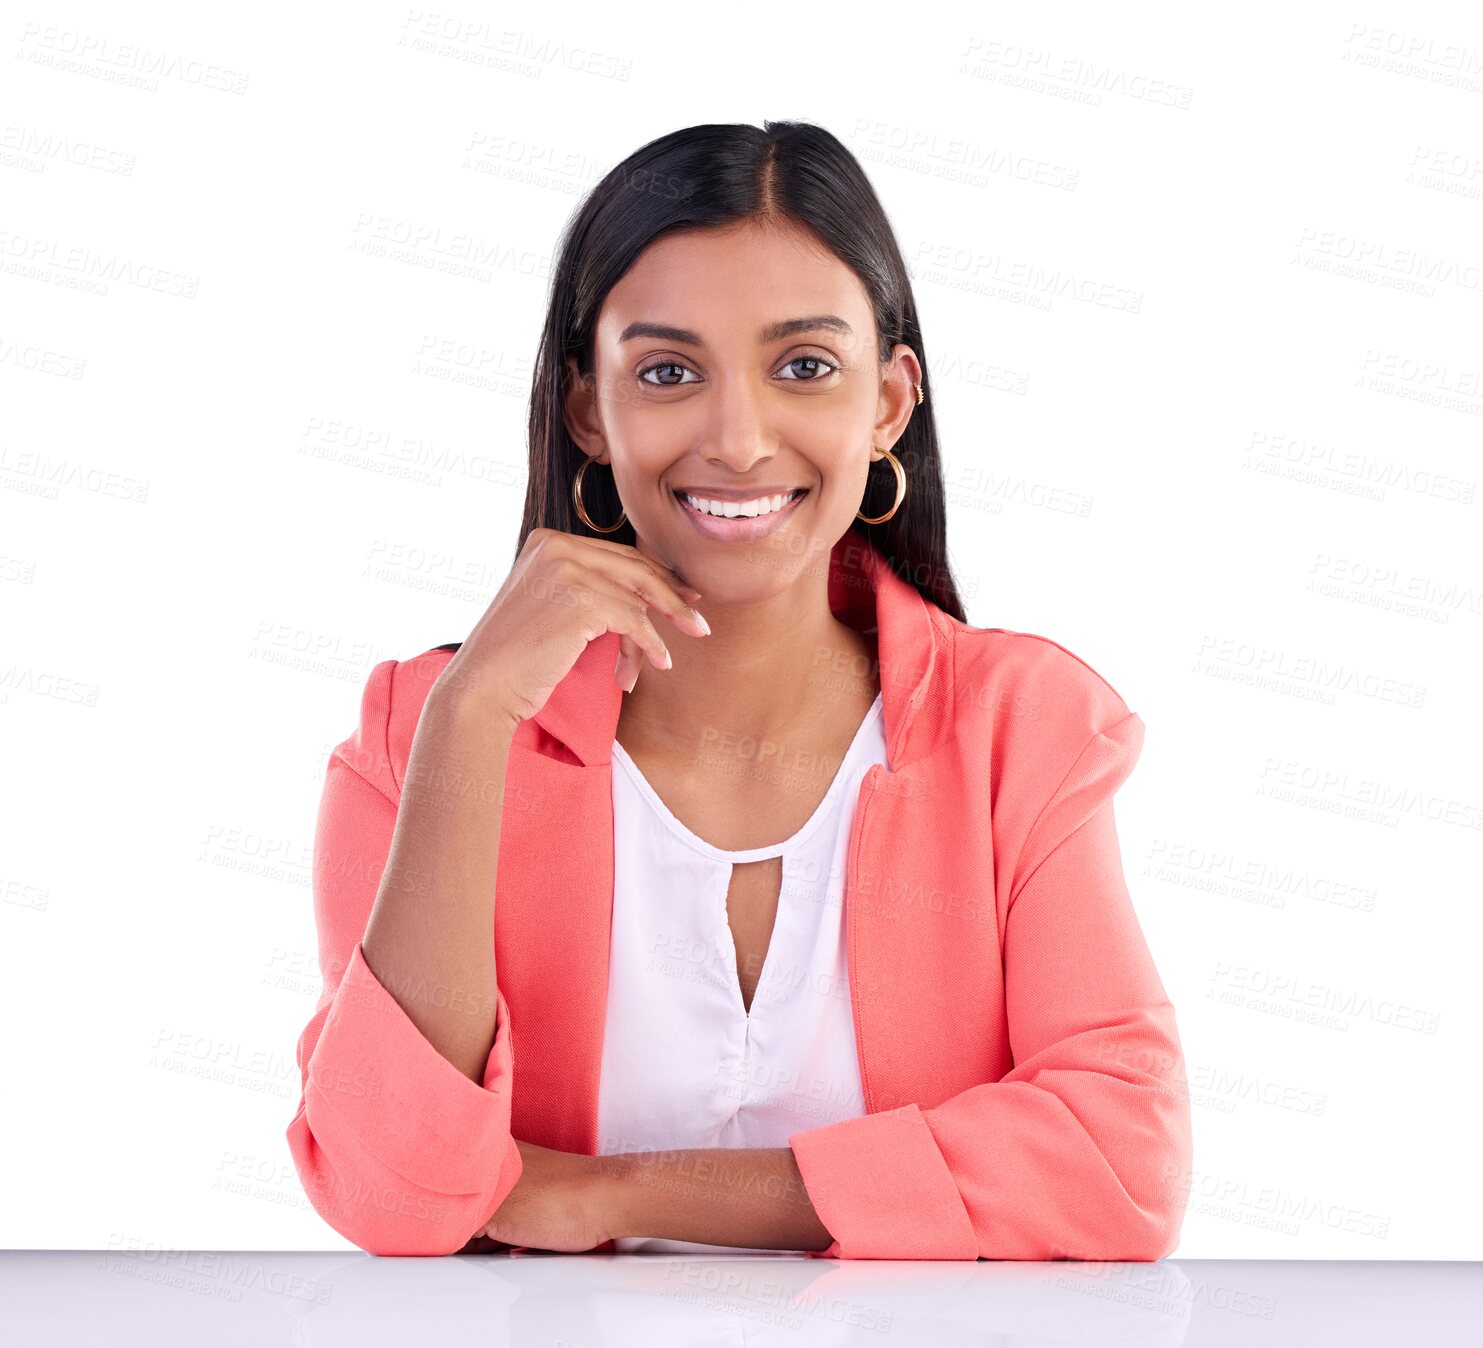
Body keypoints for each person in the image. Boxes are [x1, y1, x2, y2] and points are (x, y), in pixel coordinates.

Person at [285, 120, 1192, 1261]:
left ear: (888, 403)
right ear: (586, 412)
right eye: (667, 372)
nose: (739, 438)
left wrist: (619, 1193)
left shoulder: (1020, 730)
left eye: (803, 367)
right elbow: (392, 1193)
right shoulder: (420, 734)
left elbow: (1120, 1161)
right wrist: (470, 718)